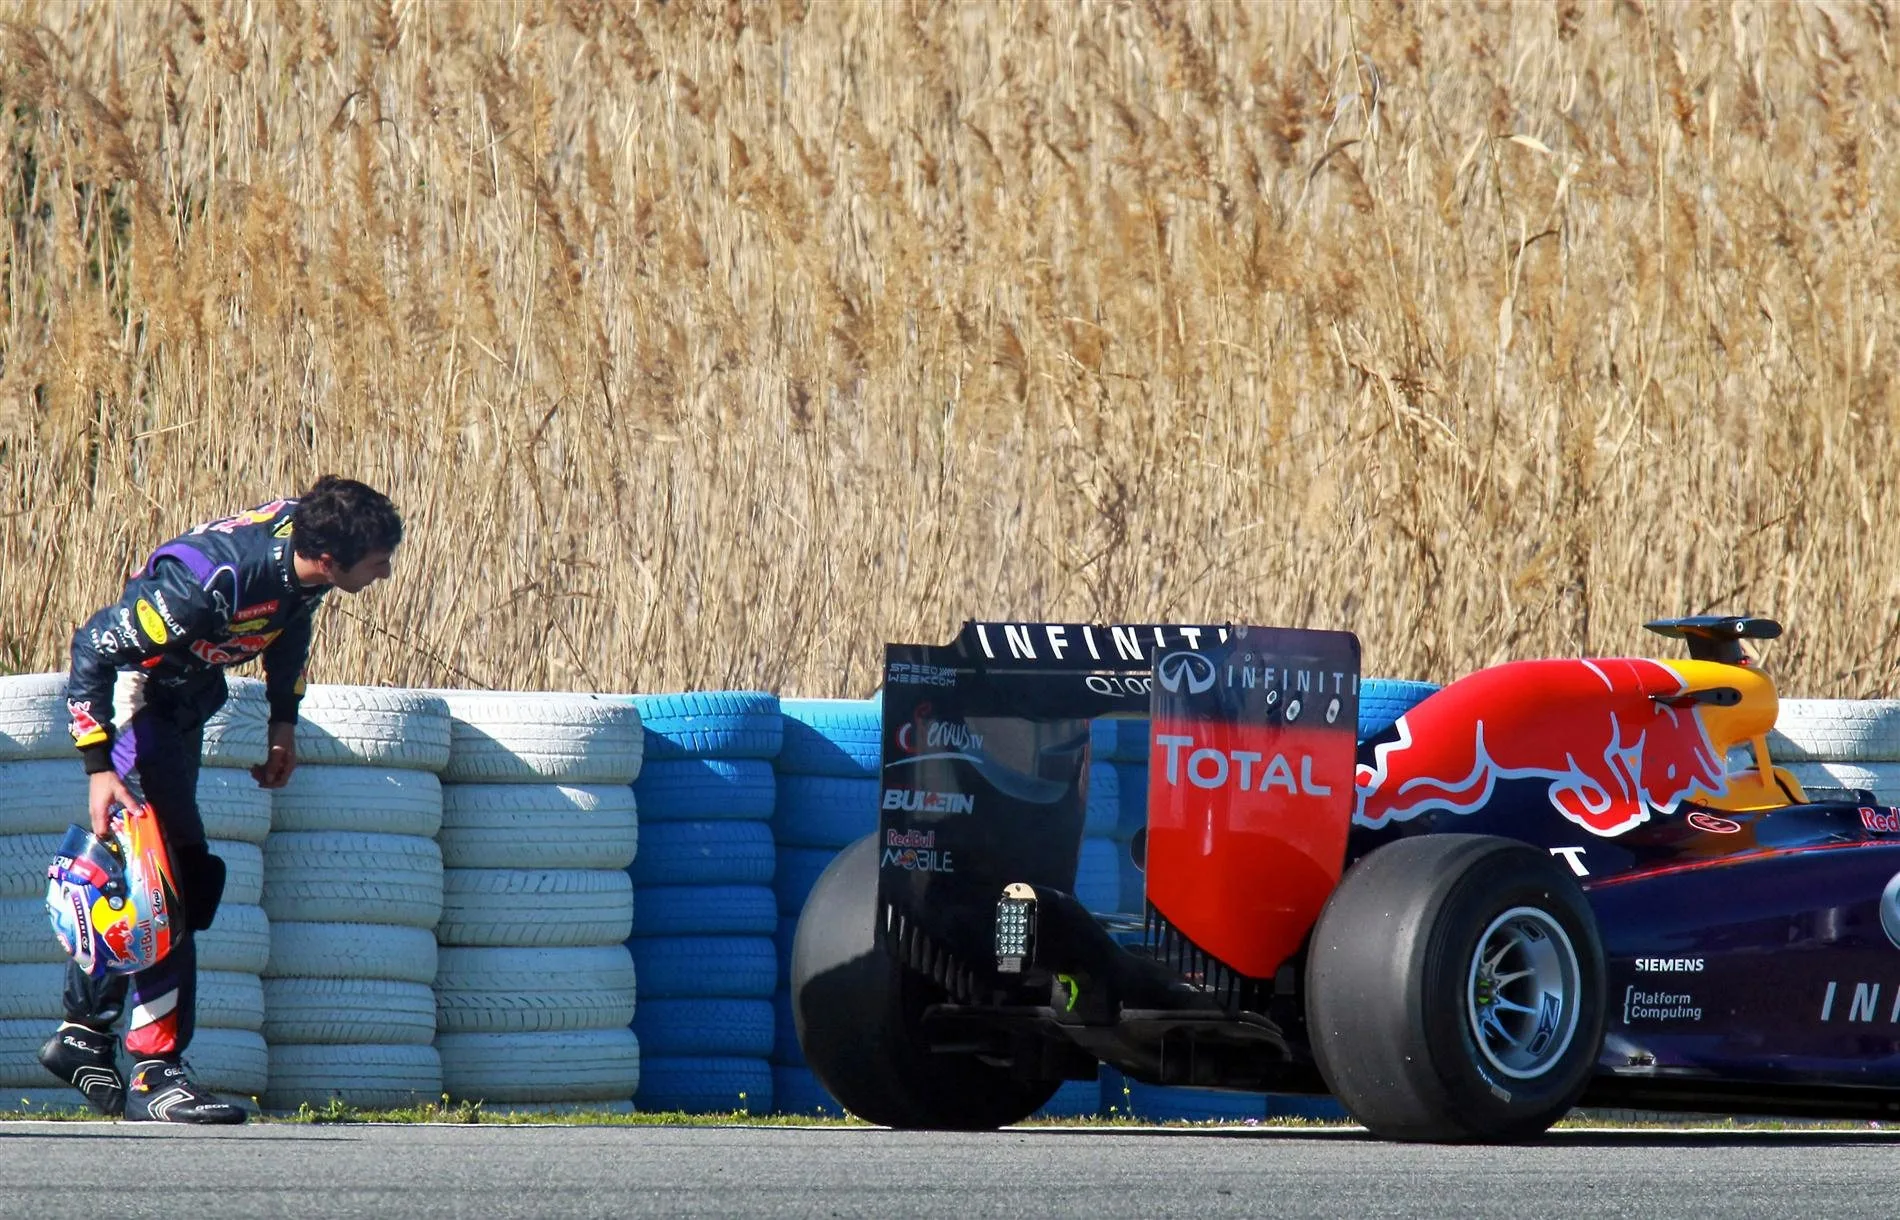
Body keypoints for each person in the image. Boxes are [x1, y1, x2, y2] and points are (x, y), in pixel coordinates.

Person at [41, 475, 402, 1123]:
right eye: (378, 562)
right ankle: (156, 1073)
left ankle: (83, 1035)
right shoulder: (210, 588)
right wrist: (99, 767)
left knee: (176, 883)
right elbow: (94, 646)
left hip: (183, 703)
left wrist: (282, 720)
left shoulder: (308, 567)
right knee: (164, 890)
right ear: (331, 558)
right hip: (136, 706)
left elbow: (292, 624)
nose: (386, 572)